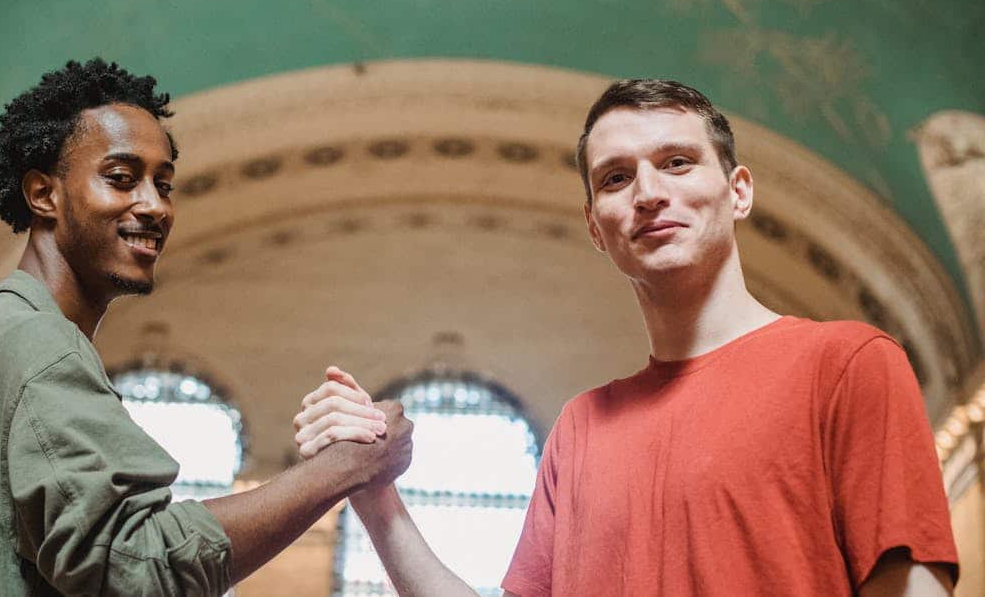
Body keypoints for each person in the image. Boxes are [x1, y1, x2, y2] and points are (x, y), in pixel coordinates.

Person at [293, 79, 959, 596]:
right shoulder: (583, 426)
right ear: (594, 224)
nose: (647, 192)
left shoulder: (847, 366)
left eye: (676, 162)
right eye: (616, 176)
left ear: (739, 192)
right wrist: (373, 496)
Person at [0, 59, 413, 596]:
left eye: (163, 184)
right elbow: (135, 567)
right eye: (121, 178)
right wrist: (342, 469)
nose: (155, 206)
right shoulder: (38, 346)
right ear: (43, 194)